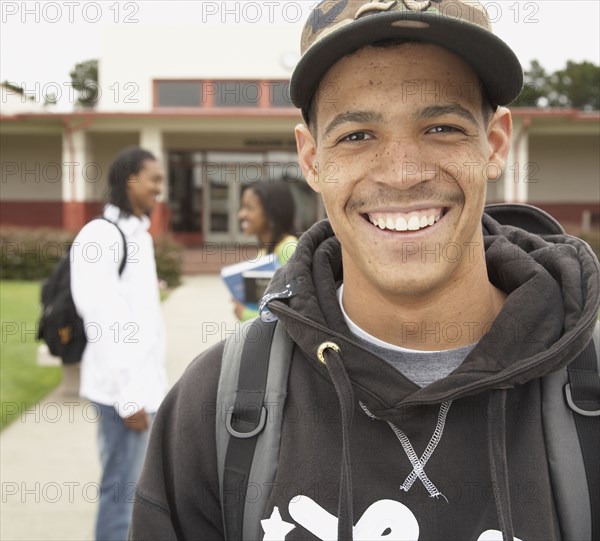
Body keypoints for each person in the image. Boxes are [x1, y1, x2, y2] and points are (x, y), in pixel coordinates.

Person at [130, 1, 599, 540]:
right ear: (311, 160)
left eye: (441, 127)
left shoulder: (588, 391)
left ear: (493, 145)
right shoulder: (215, 405)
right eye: (357, 135)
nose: (401, 174)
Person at [71, 147, 168, 541]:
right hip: (121, 395)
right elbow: (102, 320)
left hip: (145, 389)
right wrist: (130, 398)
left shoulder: (137, 235)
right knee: (120, 493)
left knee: (138, 493)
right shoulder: (100, 235)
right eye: (154, 180)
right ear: (131, 179)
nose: (160, 189)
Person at [234, 180, 298, 321]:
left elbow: (293, 308)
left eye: (249, 208)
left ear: (271, 213)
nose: (241, 214)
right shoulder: (264, 251)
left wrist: (246, 314)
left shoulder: (289, 248)